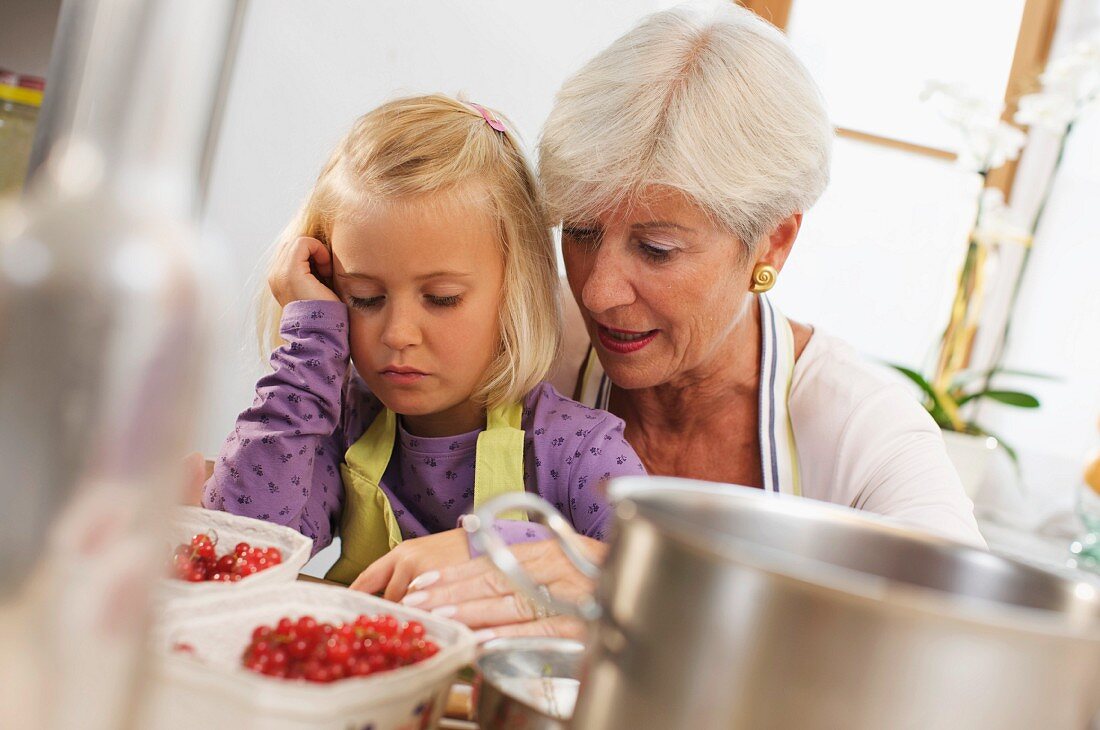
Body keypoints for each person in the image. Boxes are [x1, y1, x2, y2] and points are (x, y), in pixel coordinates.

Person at [385, 3, 986, 640]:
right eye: (582, 232)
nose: (597, 290)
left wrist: (627, 579)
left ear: (772, 244)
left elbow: (969, 641)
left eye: (657, 249)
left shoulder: (862, 431)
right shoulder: (522, 336)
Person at [201, 94, 644, 599]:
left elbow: (655, 589)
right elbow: (245, 545)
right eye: (365, 298)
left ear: (514, 293)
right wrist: (309, 342)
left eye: (441, 298)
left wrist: (496, 545)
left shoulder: (579, 450)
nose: (398, 334)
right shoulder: (341, 424)